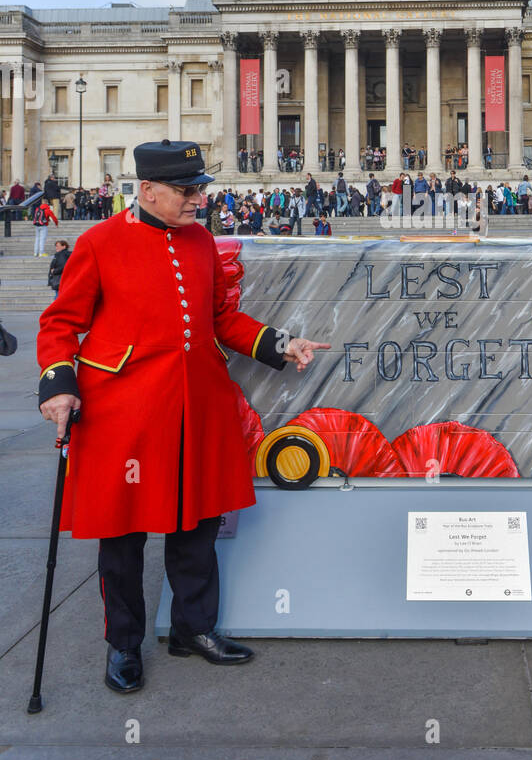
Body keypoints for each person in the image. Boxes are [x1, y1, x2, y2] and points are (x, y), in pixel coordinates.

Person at [36, 139, 329, 695]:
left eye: (200, 188)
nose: (199, 199)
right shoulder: (99, 243)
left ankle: (193, 629)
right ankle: (124, 643)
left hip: (196, 404)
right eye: (187, 190)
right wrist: (58, 383)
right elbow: (60, 324)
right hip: (125, 412)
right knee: (122, 535)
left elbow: (222, 317)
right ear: (147, 190)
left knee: (196, 523)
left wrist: (280, 344)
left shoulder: (198, 241)